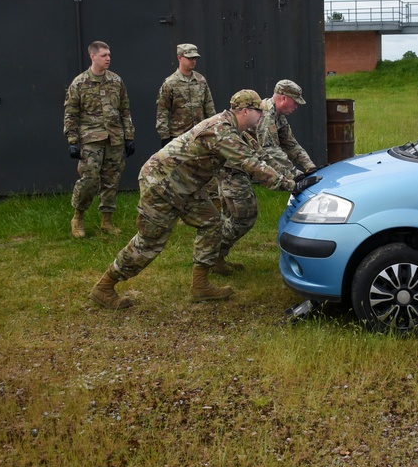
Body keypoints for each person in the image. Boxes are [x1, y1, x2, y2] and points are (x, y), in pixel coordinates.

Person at [89, 89, 301, 309]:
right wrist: (290, 185)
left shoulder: (237, 130)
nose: (262, 116)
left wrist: (296, 177)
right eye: (259, 112)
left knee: (211, 223)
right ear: (246, 111)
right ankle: (104, 287)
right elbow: (251, 164)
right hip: (161, 183)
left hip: (185, 186)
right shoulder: (221, 131)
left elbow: (262, 156)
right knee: (150, 242)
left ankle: (200, 285)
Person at [218, 79, 316, 270]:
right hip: (233, 168)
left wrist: (310, 168)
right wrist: (296, 175)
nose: (296, 106)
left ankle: (215, 258)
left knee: (231, 217)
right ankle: (212, 257)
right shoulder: (266, 115)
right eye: (295, 101)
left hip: (243, 166)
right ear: (283, 98)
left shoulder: (279, 117)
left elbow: (291, 144)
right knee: (243, 216)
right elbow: (270, 151)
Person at [64, 41, 135, 238]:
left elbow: (125, 110)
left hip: (115, 139)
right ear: (92, 56)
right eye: (104, 55)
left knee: (111, 180)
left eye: (109, 55)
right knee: (89, 180)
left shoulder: (116, 81)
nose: (108, 58)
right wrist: (72, 141)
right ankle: (78, 217)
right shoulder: (79, 83)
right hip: (91, 139)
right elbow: (71, 114)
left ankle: (107, 221)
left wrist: (129, 136)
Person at [155, 43, 216, 147]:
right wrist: (165, 137)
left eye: (195, 58)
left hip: (200, 135)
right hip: (179, 136)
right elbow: (162, 111)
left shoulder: (201, 80)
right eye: (190, 58)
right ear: (180, 58)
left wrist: (214, 128)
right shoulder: (170, 83)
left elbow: (209, 106)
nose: (193, 61)